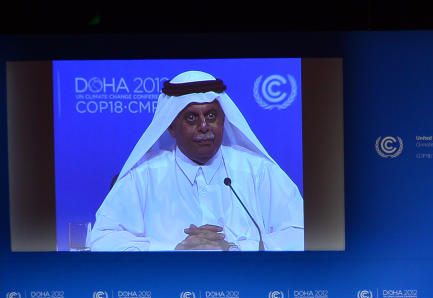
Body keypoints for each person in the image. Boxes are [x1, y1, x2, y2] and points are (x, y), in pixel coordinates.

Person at [86, 70, 304, 251]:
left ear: (223, 120)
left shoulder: (259, 171)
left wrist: (234, 248)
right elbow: (101, 240)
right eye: (191, 117)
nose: (204, 126)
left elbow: (303, 233)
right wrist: (176, 249)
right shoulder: (142, 176)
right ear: (170, 126)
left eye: (211, 116)